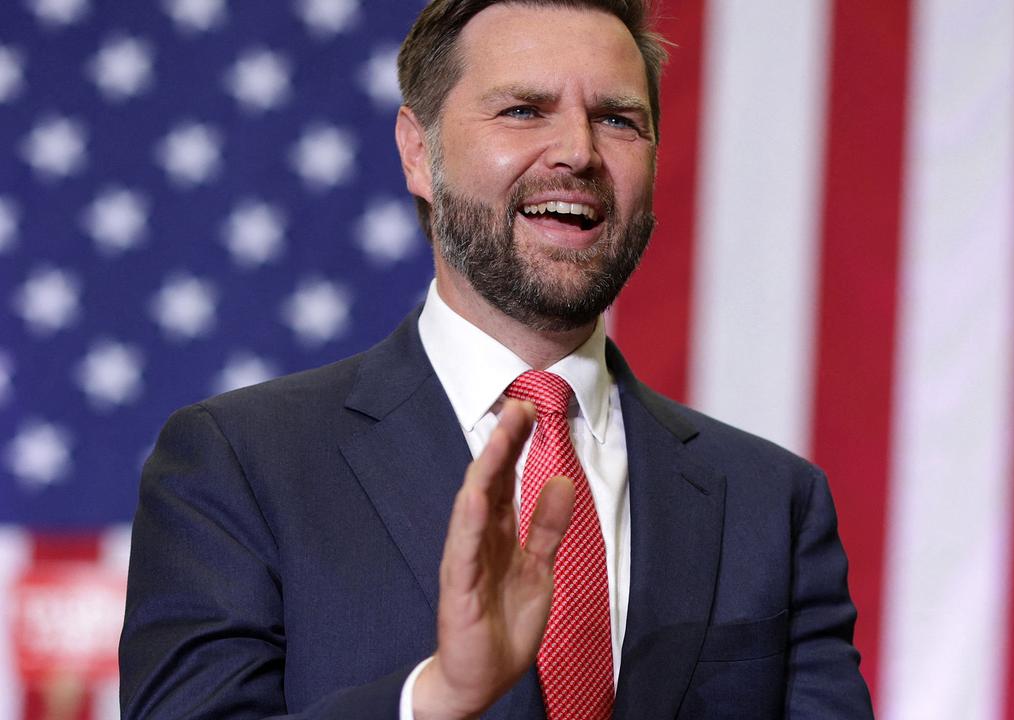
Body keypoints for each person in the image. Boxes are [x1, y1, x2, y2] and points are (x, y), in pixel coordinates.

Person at [118, 1, 875, 718]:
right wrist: (436, 699)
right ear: (420, 152)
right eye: (524, 110)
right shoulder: (239, 465)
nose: (578, 152)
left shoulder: (771, 503)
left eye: (617, 119)